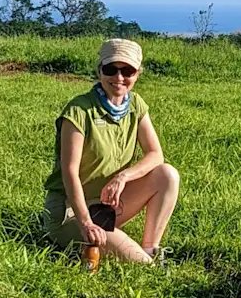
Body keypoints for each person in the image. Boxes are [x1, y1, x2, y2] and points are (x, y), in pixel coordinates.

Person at [42, 38, 180, 264]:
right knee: (142, 265)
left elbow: (156, 155)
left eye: (127, 71)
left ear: (137, 74)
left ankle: (151, 248)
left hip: (106, 206)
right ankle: (138, 257)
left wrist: (123, 177)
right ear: (99, 71)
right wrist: (86, 222)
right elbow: (69, 172)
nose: (119, 78)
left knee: (167, 174)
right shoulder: (79, 110)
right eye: (110, 69)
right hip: (71, 212)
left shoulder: (135, 105)